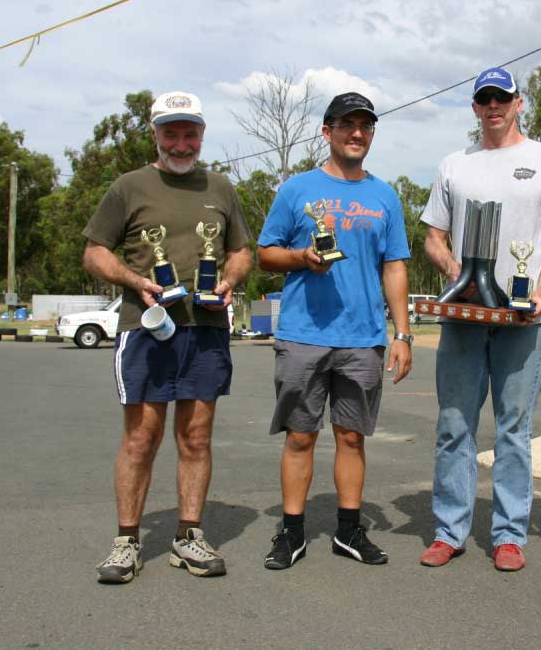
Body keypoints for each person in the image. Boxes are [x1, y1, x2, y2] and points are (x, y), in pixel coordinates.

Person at [83, 90, 253, 584]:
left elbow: (241, 251)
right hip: (147, 327)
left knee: (195, 437)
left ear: (202, 134)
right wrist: (134, 280)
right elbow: (94, 252)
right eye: (171, 133)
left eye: (190, 133)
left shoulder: (221, 187)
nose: (181, 144)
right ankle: (126, 542)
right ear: (155, 134)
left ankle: (188, 536)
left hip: (206, 329)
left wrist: (230, 279)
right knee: (142, 437)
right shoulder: (129, 186)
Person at [419, 66, 541, 572]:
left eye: (502, 98)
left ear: (518, 103)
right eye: (485, 99)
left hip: (522, 321)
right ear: (474, 107)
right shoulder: (454, 165)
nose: (494, 107)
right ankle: (449, 531)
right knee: (453, 425)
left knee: (514, 429)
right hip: (464, 319)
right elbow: (433, 238)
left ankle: (509, 535)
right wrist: (458, 275)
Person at [257, 92, 412, 570]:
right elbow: (265, 254)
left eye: (365, 125)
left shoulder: (385, 196)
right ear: (327, 132)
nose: (357, 133)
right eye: (346, 124)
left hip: (362, 338)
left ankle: (348, 531)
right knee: (300, 436)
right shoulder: (297, 189)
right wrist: (301, 258)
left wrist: (403, 334)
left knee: (351, 438)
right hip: (303, 334)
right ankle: (292, 532)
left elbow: (395, 266)